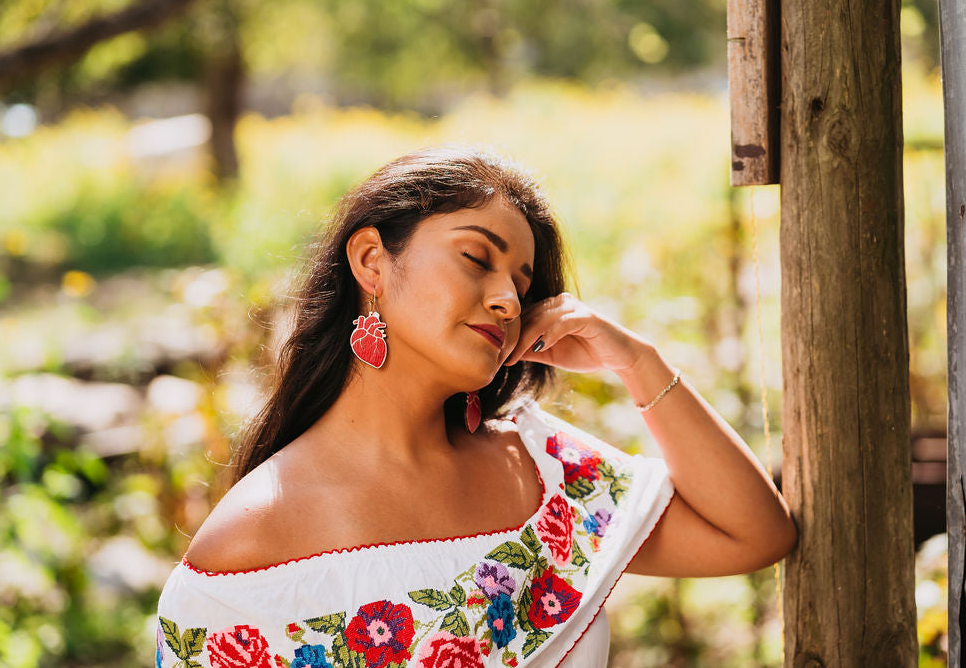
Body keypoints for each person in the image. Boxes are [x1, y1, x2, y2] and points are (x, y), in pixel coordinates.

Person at [155, 144, 797, 668]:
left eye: (522, 282)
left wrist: (636, 361)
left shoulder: (546, 475)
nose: (509, 300)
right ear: (372, 261)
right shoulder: (255, 536)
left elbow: (755, 534)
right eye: (475, 259)